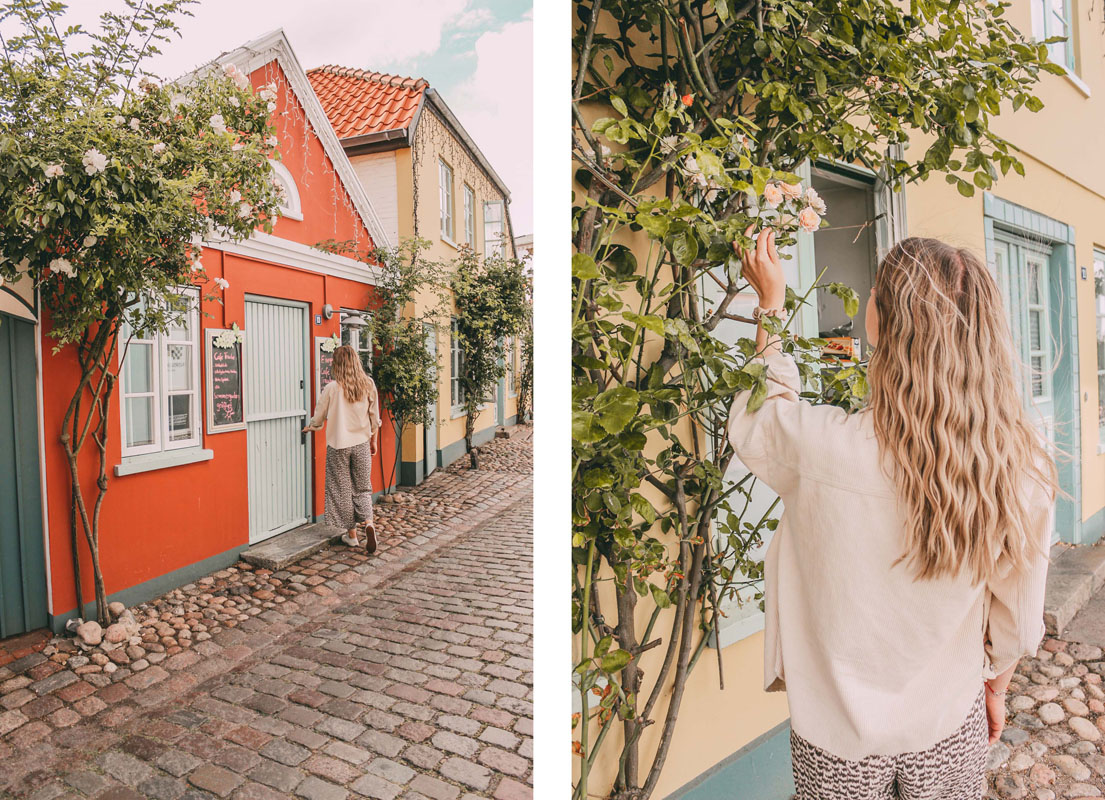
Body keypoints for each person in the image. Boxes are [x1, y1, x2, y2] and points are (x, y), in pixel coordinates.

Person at [728, 230, 1058, 800]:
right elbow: (1017, 620)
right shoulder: (1017, 467)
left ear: (884, 321)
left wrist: (771, 305)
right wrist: (995, 691)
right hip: (948, 724)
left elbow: (761, 414)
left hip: (836, 737)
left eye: (872, 291)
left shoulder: (823, 447)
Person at [303, 345, 382, 552]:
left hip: (339, 446)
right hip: (362, 443)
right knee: (363, 488)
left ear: (336, 364)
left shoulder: (332, 388)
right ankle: (369, 524)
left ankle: (352, 535)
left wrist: (312, 426)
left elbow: (320, 415)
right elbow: (375, 418)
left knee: (342, 490)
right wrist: (373, 441)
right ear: (356, 361)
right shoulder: (368, 384)